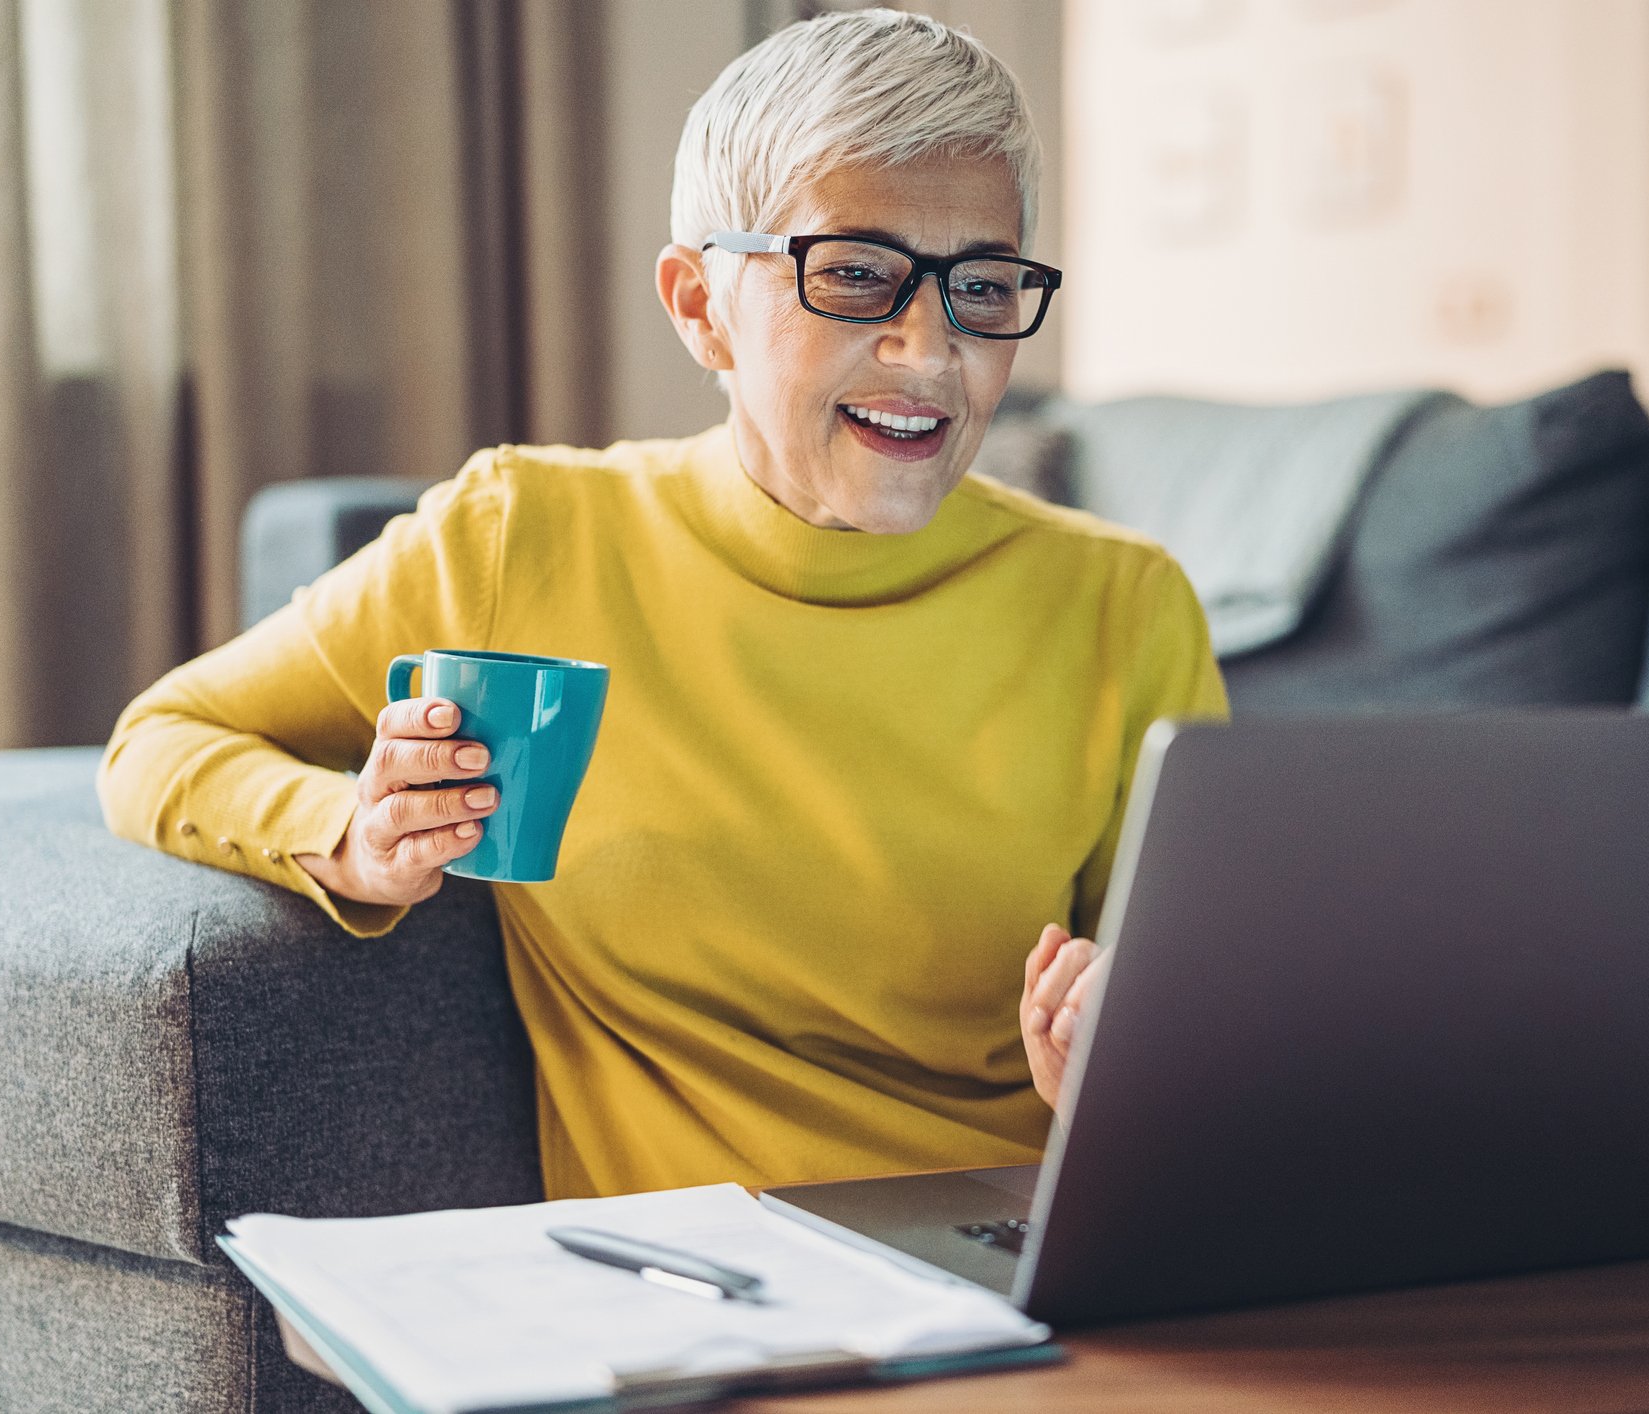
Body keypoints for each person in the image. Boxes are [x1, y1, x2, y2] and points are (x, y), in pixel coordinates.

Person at [97, 9, 1225, 1200]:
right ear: (699, 306)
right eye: (852, 273)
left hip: (1030, 1268)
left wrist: (1126, 1065)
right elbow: (157, 740)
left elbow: (1207, 1023)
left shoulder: (1124, 605)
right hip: (696, 1298)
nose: (929, 350)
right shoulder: (518, 539)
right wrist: (352, 836)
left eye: (983, 287)